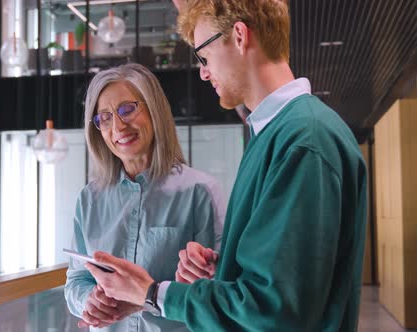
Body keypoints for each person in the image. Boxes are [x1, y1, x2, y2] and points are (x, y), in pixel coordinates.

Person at [84, 1, 368, 331]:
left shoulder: (304, 141)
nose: (203, 72)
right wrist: (223, 273)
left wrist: (151, 293)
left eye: (203, 56)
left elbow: (275, 310)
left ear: (239, 36)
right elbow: (285, 282)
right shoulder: (274, 135)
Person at [64, 63, 225, 331]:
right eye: (104, 118)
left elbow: (221, 285)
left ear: (154, 110)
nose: (118, 126)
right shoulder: (88, 200)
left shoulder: (200, 191)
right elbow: (76, 280)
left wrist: (206, 272)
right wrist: (88, 300)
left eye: (127, 109)